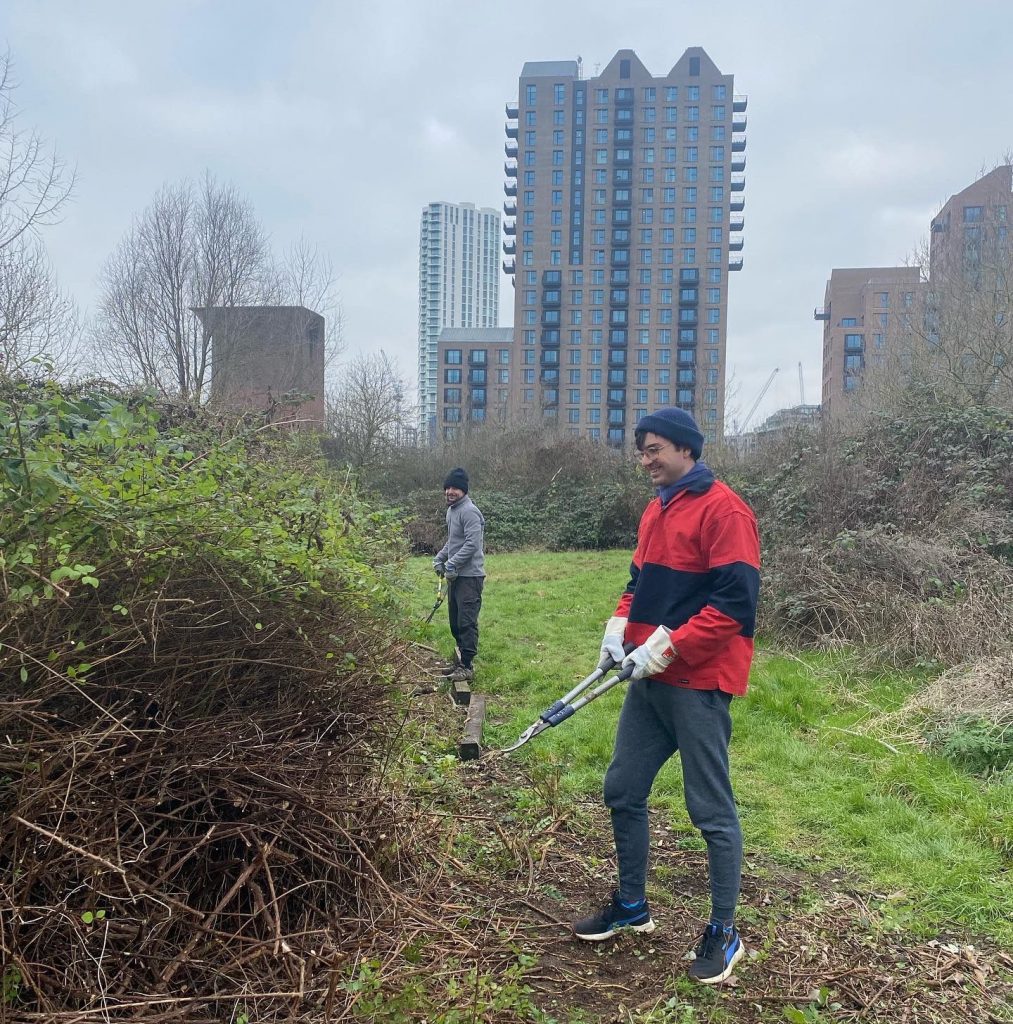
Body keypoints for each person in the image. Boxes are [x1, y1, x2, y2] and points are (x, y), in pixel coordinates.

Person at [572, 408, 760, 987]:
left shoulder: (725, 510)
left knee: (710, 809)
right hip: (648, 677)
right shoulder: (657, 508)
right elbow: (639, 584)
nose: (646, 459)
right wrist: (618, 628)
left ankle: (724, 931)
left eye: (655, 449)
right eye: (641, 450)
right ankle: (632, 905)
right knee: (622, 789)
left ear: (686, 450)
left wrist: (671, 648)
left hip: (700, 682)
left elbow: (734, 606)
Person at [432, 467, 486, 682]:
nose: (450, 491)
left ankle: (467, 667)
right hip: (456, 576)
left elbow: (473, 544)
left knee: (466, 621)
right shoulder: (452, 511)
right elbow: (453, 542)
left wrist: (452, 564)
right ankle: (460, 662)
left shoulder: (470, 511)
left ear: (463, 490)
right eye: (447, 488)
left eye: (454, 488)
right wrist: (441, 558)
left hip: (470, 577)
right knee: (455, 621)